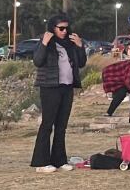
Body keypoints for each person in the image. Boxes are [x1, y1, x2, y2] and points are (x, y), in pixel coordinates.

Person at [30, 15, 87, 173]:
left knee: (61, 126)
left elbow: (81, 63)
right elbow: (38, 61)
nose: (64, 31)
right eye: (60, 28)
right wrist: (44, 43)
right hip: (50, 87)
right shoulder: (46, 42)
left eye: (66, 28)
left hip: (67, 88)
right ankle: (41, 163)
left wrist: (79, 46)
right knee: (47, 125)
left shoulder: (70, 45)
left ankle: (59, 160)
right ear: (52, 28)